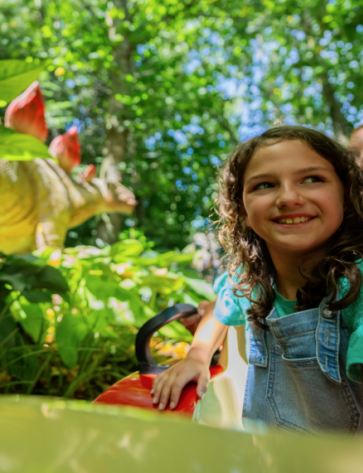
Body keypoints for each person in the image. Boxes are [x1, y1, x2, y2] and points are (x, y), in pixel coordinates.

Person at [152, 126, 363, 433]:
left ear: (345, 196)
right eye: (265, 184)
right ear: (243, 211)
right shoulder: (251, 278)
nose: (289, 197)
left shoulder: (355, 282)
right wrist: (196, 357)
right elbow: (219, 308)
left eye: (312, 179)